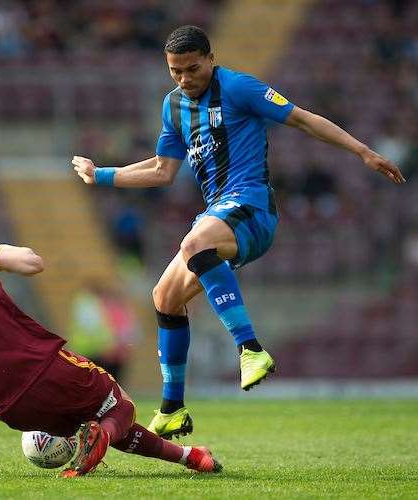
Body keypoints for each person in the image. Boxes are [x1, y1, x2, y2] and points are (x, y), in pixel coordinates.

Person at [72, 25, 405, 439]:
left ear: (211, 59)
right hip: (218, 215)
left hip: (252, 207)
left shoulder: (239, 87)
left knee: (193, 243)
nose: (184, 78)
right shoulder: (173, 106)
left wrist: (363, 152)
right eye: (175, 71)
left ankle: (250, 349)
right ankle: (173, 408)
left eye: (192, 69)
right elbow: (161, 170)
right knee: (164, 297)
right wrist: (100, 175)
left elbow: (302, 120)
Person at [0, 199, 222, 478]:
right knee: (120, 406)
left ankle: (192, 457)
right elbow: (31, 263)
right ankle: (103, 436)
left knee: (98, 422)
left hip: (9, 408)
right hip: (42, 367)